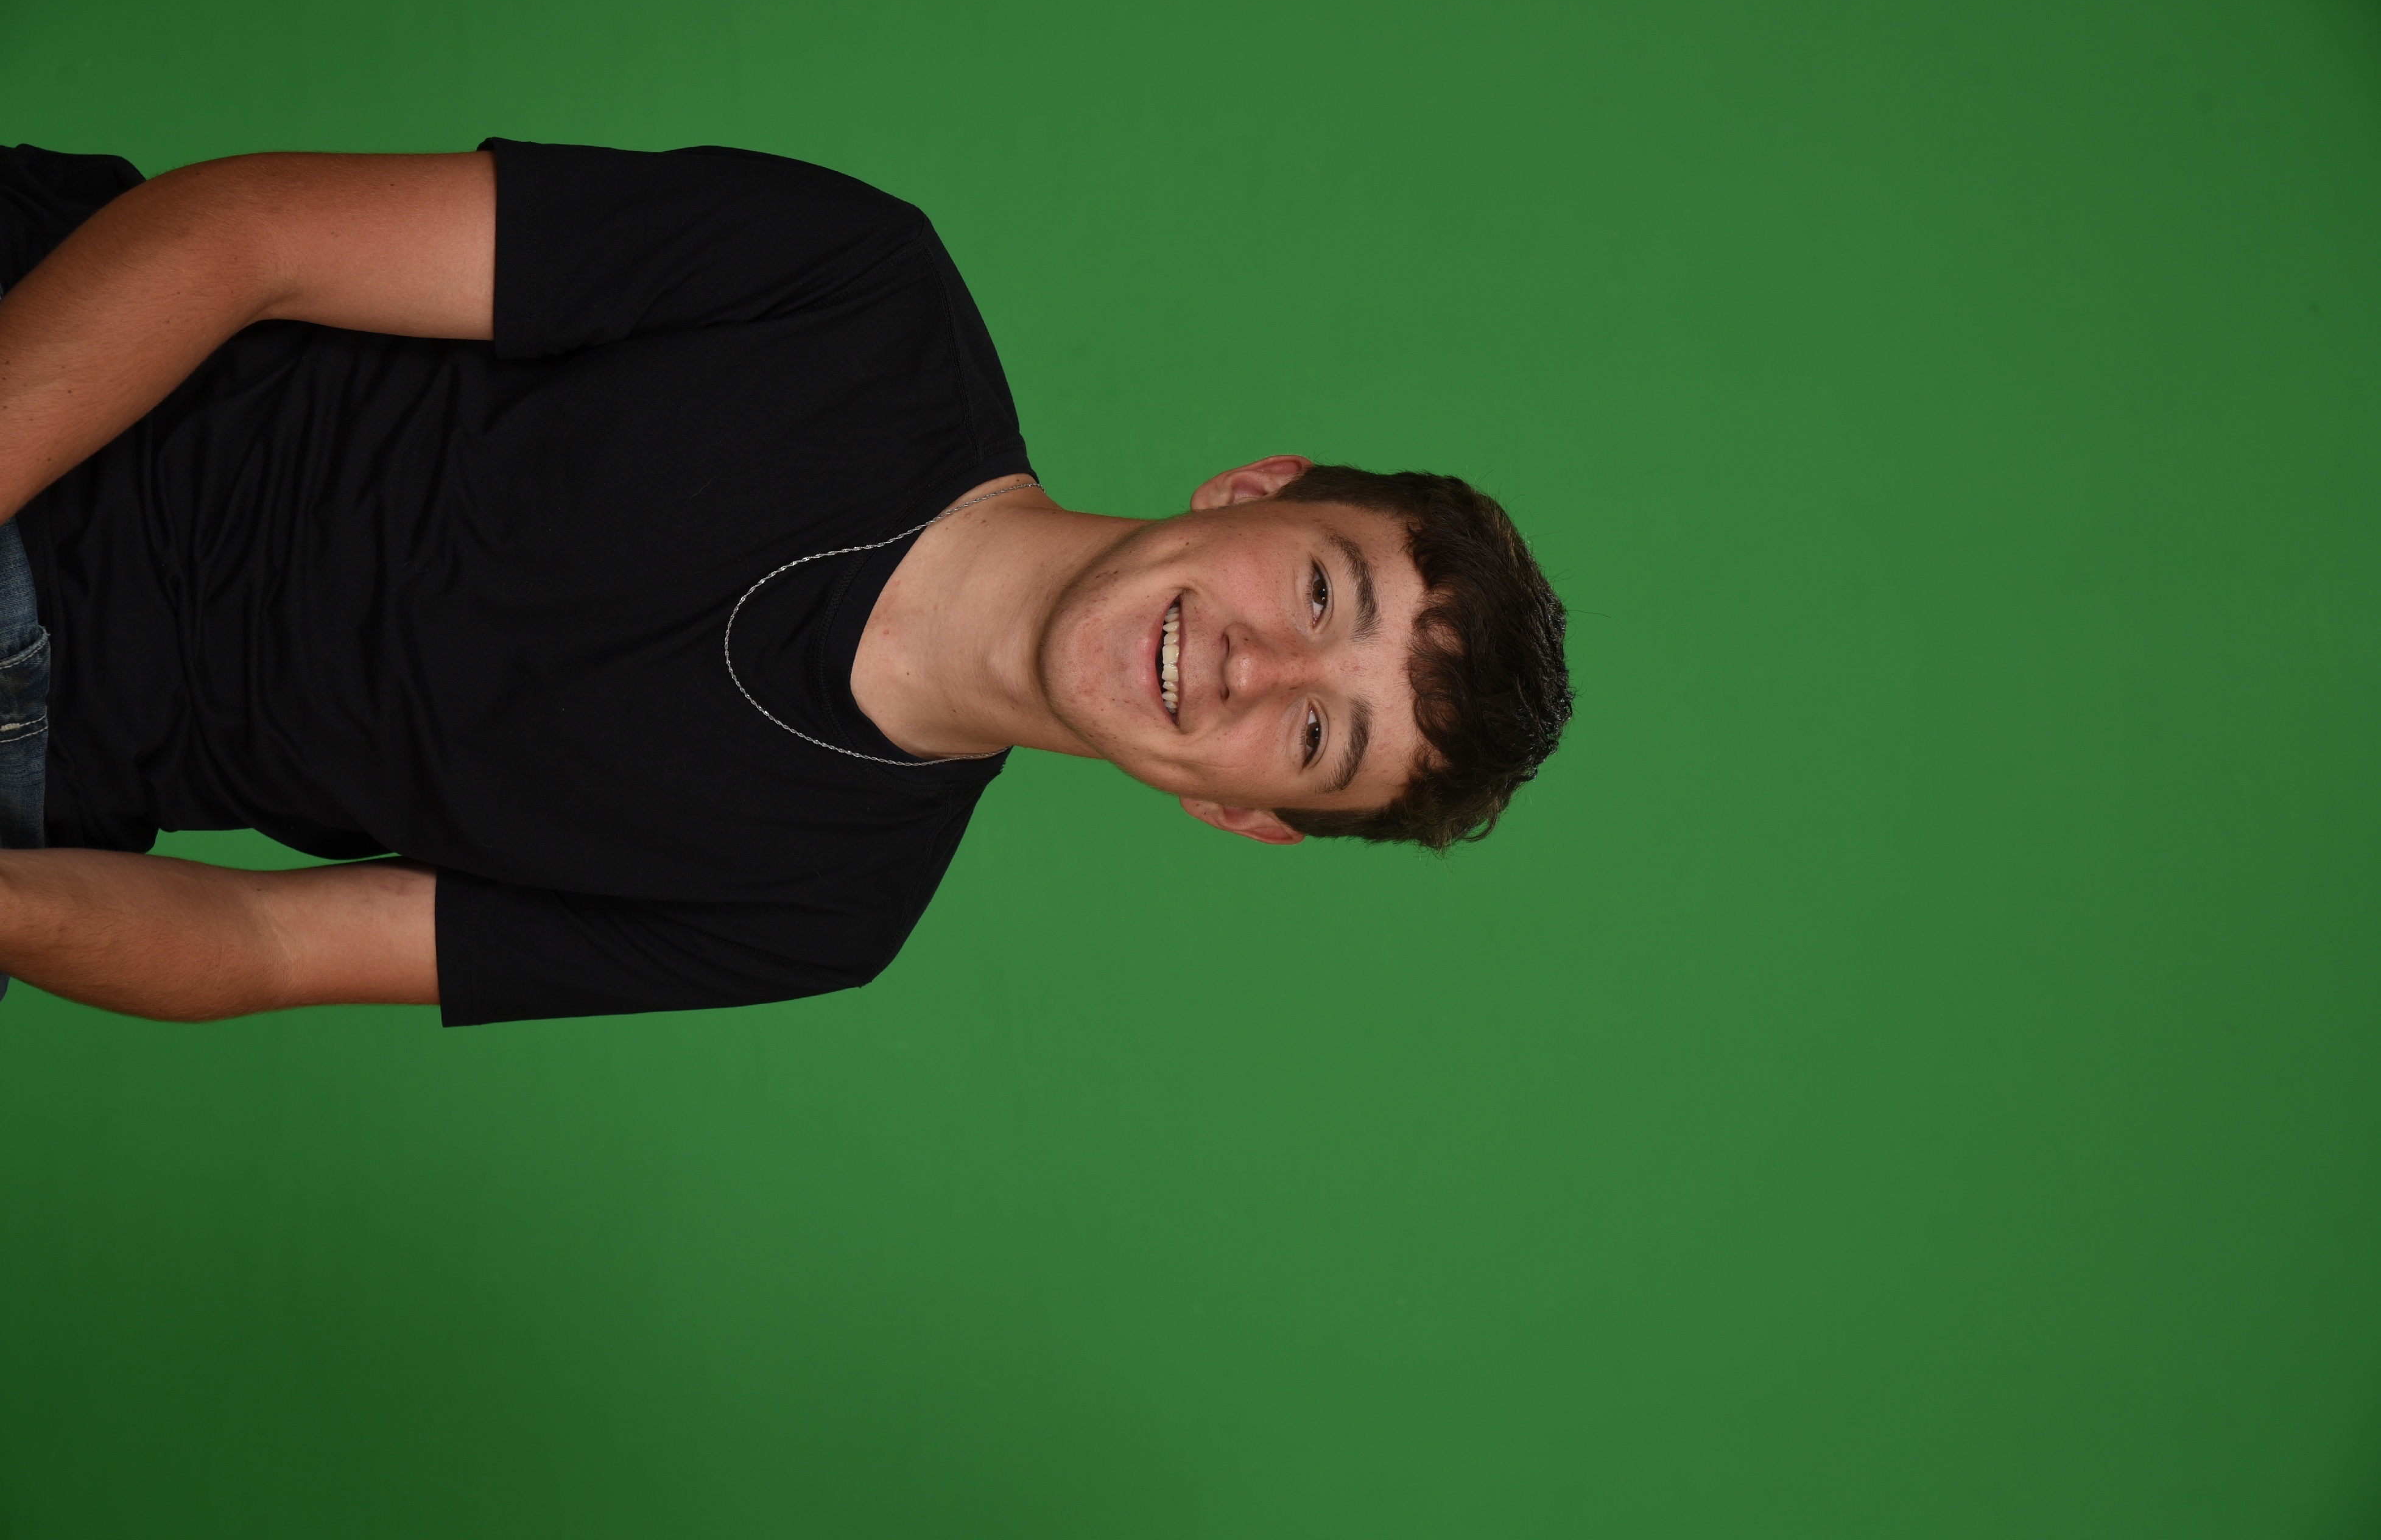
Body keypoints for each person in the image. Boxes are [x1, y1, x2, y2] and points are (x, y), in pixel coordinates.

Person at [0, 139, 1571, 1025]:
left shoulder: (824, 917)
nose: (1256, 669)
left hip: (44, 773)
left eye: (1316, 737)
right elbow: (248, 233)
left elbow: (271, 946)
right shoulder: (860, 294)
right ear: (1257, 490)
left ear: (1238, 813)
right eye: (1321, 598)